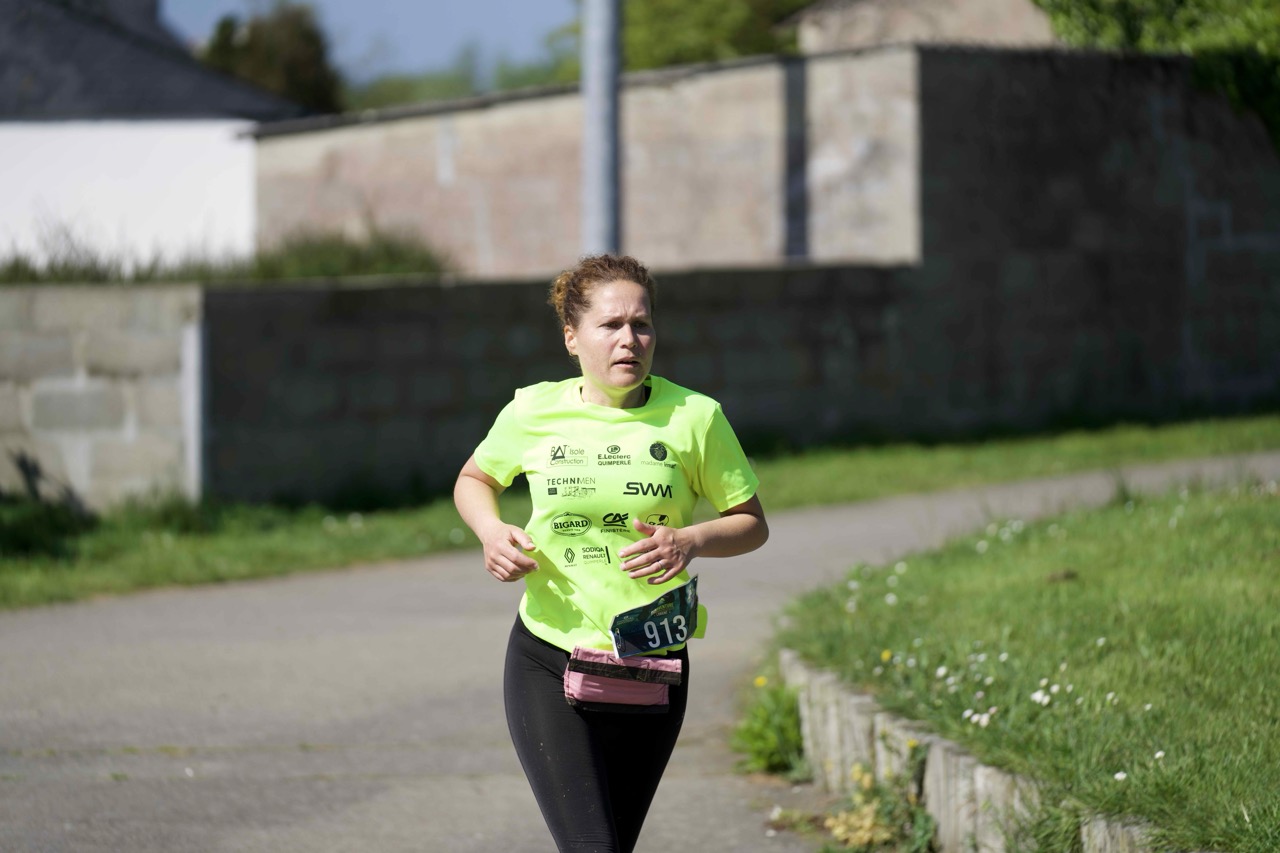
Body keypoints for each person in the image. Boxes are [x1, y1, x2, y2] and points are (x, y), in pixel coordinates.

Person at [453, 253, 768, 853]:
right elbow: (474, 479)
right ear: (572, 337)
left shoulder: (696, 418)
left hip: (651, 662)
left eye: (641, 324)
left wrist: (692, 540)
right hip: (549, 655)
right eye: (611, 325)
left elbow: (751, 524)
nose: (630, 339)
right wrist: (492, 532)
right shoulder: (533, 410)